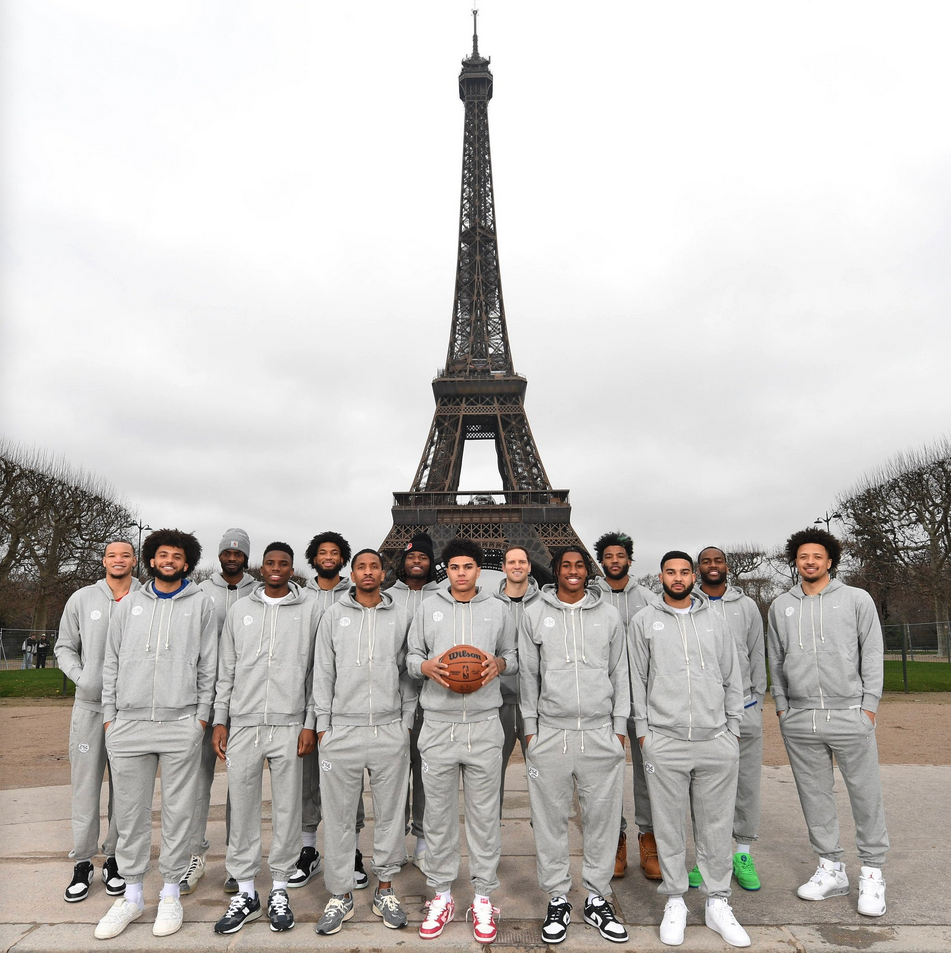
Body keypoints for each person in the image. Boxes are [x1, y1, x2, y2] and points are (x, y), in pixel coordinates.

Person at [94, 529, 217, 940]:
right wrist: (111, 716)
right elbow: (111, 661)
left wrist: (199, 718)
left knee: (179, 812)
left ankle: (169, 893)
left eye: (176, 556)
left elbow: (208, 666)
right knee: (129, 815)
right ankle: (131, 896)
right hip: (128, 724)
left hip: (179, 723)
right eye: (162, 554)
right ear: (150, 559)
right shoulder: (129, 604)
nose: (168, 561)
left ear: (187, 563)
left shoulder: (202, 605)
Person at [629, 551, 749, 948]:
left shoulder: (717, 619)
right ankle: (676, 899)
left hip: (716, 740)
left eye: (684, 572)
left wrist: (733, 729)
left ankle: (718, 901)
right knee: (667, 825)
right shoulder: (644, 621)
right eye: (670, 572)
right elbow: (637, 680)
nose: (678, 578)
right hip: (666, 740)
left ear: (693, 576)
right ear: (659, 576)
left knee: (715, 826)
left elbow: (734, 676)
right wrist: (646, 735)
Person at [768, 527, 888, 917]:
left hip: (850, 712)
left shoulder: (857, 599)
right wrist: (784, 708)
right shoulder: (780, 606)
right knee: (814, 795)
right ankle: (831, 867)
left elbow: (872, 651)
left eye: (817, 556)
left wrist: (868, 705)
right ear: (796, 561)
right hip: (800, 717)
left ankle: (872, 871)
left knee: (865, 795)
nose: (810, 562)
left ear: (830, 561)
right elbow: (775, 659)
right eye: (803, 556)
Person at [406, 539, 517, 944]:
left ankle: (484, 896)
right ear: (446, 570)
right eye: (454, 567)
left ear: (478, 570)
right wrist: (424, 666)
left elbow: (514, 655)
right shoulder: (426, 607)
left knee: (485, 817)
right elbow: (410, 657)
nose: (462, 573)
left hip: (485, 724)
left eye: (469, 566)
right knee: (437, 816)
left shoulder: (498, 609)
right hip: (437, 723)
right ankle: (441, 895)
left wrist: (500, 663)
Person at [520, 546, 630, 945]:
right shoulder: (534, 613)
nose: (572, 571)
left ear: (588, 571)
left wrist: (618, 729)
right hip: (551, 733)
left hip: (600, 733)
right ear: (556, 571)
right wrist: (531, 731)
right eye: (565, 566)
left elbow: (621, 671)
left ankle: (598, 898)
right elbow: (529, 676)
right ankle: (557, 896)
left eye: (579, 566)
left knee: (602, 821)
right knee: (549, 821)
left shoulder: (609, 614)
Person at [211, 542, 321, 934]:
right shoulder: (241, 610)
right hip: (243, 724)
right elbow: (227, 669)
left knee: (288, 808)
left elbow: (316, 672)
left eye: (284, 563)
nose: (276, 569)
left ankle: (279, 889)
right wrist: (220, 719)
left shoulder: (312, 609)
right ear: (262, 567)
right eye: (270, 563)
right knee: (241, 808)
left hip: (290, 725)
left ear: (293, 568)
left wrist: (310, 722)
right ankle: (244, 891)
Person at [312, 549, 416, 935]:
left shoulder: (402, 615)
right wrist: (325, 726)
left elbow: (408, 672)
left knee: (390, 815)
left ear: (384, 572)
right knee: (339, 819)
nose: (368, 572)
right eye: (361, 567)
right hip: (342, 731)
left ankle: (385, 889)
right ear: (351, 573)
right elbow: (322, 673)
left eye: (375, 566)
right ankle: (340, 894)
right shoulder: (332, 616)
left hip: (389, 731)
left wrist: (405, 722)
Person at [55, 539, 139, 904]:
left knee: (125, 790)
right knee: (85, 785)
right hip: (90, 707)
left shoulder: (147, 597)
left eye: (125, 554)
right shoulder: (82, 598)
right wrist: (84, 677)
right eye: (111, 555)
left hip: (129, 712)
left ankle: (115, 858)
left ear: (135, 560)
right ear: (103, 560)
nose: (118, 560)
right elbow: (64, 646)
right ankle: (83, 861)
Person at [290, 531, 368, 891]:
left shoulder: (356, 598)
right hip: (303, 697)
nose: (328, 557)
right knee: (308, 780)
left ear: (343, 558)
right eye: (322, 552)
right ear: (313, 557)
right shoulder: (300, 598)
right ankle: (309, 850)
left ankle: (350, 850)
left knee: (348, 782)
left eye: (335, 552)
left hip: (347, 702)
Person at [181, 528, 256, 896]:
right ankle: (194, 854)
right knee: (198, 782)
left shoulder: (259, 591)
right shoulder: (200, 592)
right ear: (220, 555)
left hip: (245, 701)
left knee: (240, 789)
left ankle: (236, 862)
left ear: (245, 556)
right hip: (203, 699)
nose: (232, 556)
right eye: (227, 551)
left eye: (238, 552)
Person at [689, 546, 766, 892]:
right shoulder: (686, 605)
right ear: (697, 569)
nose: (713, 566)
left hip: (744, 707)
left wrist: (758, 702)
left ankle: (743, 853)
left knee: (746, 785)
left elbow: (757, 655)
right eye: (706, 561)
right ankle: (704, 858)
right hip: (704, 709)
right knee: (701, 788)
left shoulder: (747, 606)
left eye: (718, 560)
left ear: (726, 566)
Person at [593, 530, 658, 881]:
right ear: (601, 561)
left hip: (644, 699)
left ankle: (649, 837)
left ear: (629, 559)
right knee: (607, 773)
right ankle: (614, 839)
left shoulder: (649, 599)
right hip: (605, 698)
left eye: (620, 556)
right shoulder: (589, 598)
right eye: (609, 556)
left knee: (648, 773)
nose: (615, 561)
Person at [387, 532, 441, 865]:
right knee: (392, 774)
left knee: (425, 773)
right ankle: (392, 843)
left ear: (430, 562)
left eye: (422, 557)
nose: (416, 562)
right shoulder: (386, 596)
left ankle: (422, 839)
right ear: (403, 562)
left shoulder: (443, 597)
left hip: (432, 697)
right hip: (392, 696)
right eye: (411, 557)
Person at [494, 544, 540, 812]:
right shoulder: (488, 606)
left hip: (537, 702)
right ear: (503, 567)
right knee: (489, 776)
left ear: (529, 566)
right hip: (497, 700)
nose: (517, 566)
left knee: (542, 776)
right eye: (511, 562)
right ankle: (488, 847)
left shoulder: (546, 604)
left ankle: (546, 845)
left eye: (522, 561)